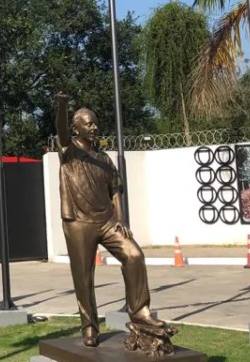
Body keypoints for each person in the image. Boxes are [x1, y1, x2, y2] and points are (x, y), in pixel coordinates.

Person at [55, 91, 166, 347]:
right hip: (78, 223)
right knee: (83, 277)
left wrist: (121, 218)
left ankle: (140, 312)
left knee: (135, 255)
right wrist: (62, 106)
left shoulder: (104, 159)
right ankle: (89, 327)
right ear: (76, 128)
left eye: (95, 123)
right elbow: (60, 130)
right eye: (89, 123)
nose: (95, 127)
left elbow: (115, 190)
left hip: (107, 221)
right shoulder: (68, 150)